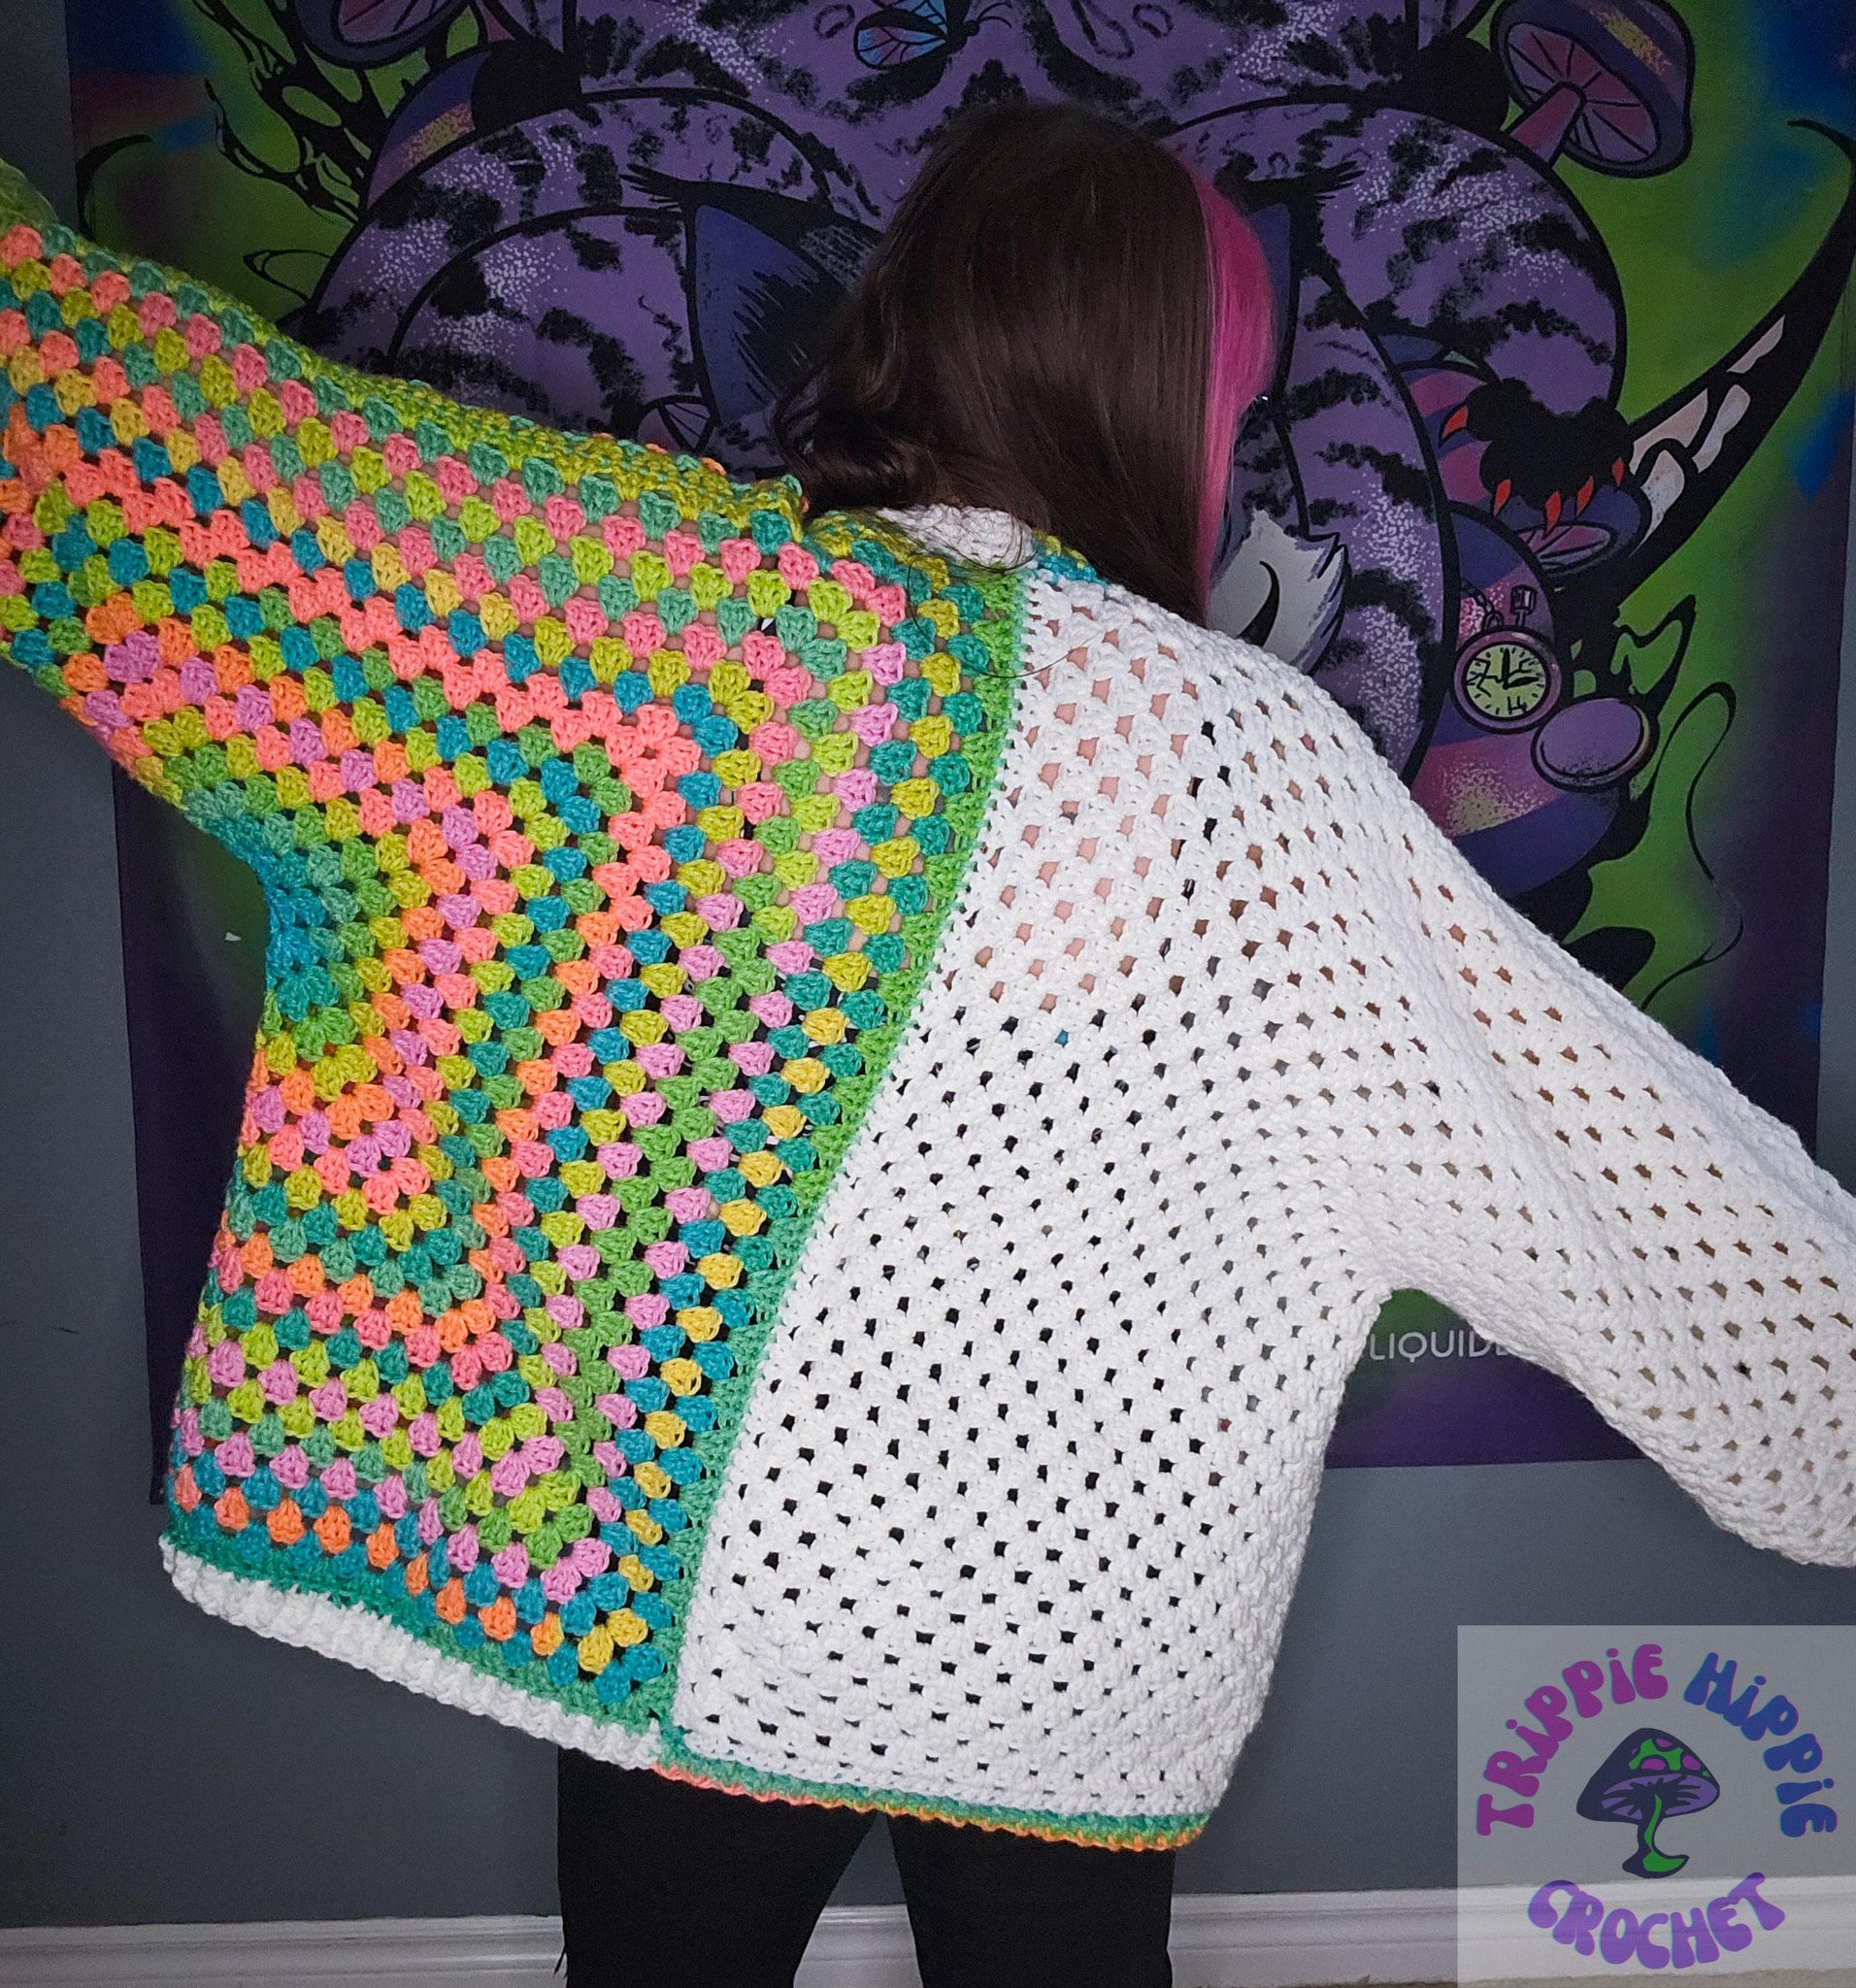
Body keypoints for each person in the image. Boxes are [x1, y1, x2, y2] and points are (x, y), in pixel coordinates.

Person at [1, 98, 1851, 1988]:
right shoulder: (1269, 774)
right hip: (1069, 1654)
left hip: (680, 1596)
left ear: (905, 320)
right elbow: (1618, 1172)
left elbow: (163, 465)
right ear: (1170, 399)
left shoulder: (666, 629)